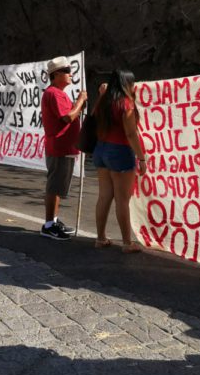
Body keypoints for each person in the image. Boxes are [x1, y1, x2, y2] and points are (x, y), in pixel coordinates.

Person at [92, 70, 146, 253]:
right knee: (122, 200)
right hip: (120, 152)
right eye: (132, 83)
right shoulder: (126, 104)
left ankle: (100, 238)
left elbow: (92, 116)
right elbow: (131, 134)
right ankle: (126, 243)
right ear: (127, 84)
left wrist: (101, 95)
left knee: (104, 196)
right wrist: (141, 157)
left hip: (100, 150)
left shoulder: (104, 101)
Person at [40, 56, 87, 241]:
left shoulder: (59, 93)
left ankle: (54, 221)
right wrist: (81, 101)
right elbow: (67, 117)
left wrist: (77, 104)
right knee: (54, 186)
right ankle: (48, 225)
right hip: (59, 146)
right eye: (67, 71)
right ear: (57, 74)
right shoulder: (54, 93)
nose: (71, 74)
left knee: (59, 186)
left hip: (65, 146)